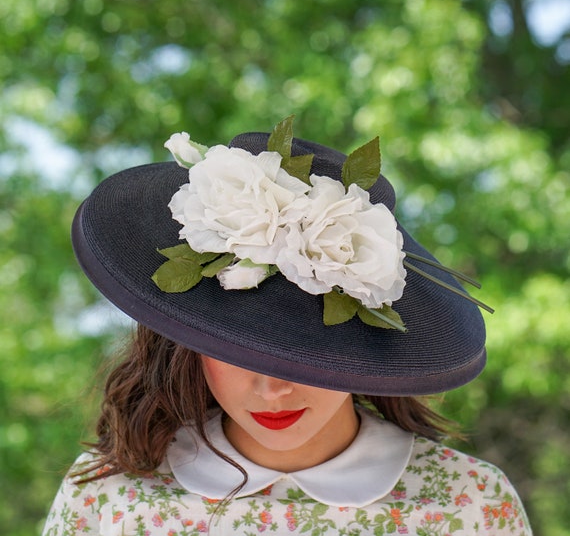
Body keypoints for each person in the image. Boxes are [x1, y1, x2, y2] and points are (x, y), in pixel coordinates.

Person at [42, 119, 532, 535]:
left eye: (304, 354)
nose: (273, 388)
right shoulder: (110, 501)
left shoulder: (469, 506)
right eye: (239, 352)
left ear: (361, 341)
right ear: (186, 345)